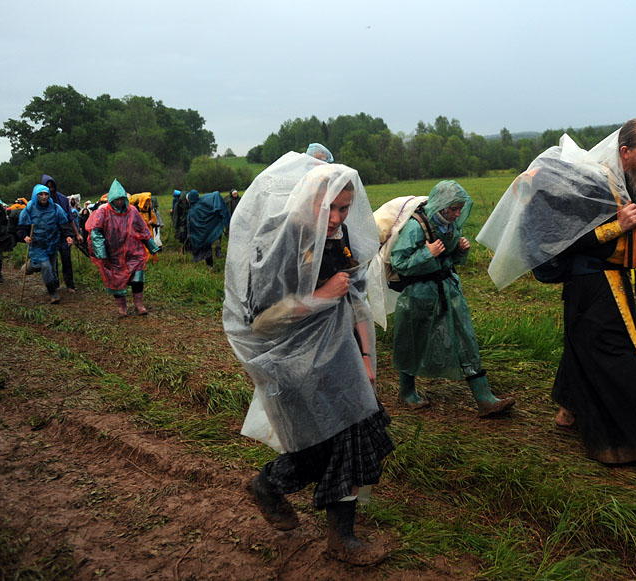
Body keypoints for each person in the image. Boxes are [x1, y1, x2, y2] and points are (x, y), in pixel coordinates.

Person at [477, 118, 636, 469]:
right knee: (617, 362)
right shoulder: (592, 184)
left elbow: (625, 233)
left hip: (616, 284)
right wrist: (618, 226)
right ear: (625, 151)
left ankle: (569, 412)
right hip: (594, 289)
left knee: (583, 351)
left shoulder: (629, 181)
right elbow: (566, 241)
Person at [223, 154, 393, 566]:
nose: (336, 217)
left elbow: (355, 302)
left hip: (342, 361)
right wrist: (318, 299)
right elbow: (258, 321)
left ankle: (296, 504)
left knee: (350, 440)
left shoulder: (341, 238)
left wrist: (367, 359)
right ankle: (330, 530)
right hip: (296, 367)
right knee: (329, 445)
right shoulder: (280, 238)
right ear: (306, 200)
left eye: (344, 207)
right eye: (329, 207)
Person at [389, 181, 516, 416]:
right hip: (418, 294)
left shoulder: (450, 225)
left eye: (460, 208)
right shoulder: (416, 228)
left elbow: (448, 261)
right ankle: (407, 393)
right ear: (443, 206)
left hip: (448, 289)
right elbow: (400, 263)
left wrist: (459, 251)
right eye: (455, 208)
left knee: (465, 337)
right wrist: (427, 253)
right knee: (413, 342)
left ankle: (484, 398)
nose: (458, 213)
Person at [86, 179, 159, 316]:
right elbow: (95, 233)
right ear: (112, 200)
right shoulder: (103, 213)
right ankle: (122, 307)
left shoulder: (132, 211)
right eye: (117, 199)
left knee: (138, 277)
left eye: (122, 199)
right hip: (113, 253)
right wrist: (101, 252)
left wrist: (152, 246)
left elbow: (142, 229)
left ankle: (139, 304)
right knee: (116, 281)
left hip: (133, 251)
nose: (120, 202)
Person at [17, 184, 75, 304]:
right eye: (41, 194)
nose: (44, 197)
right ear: (35, 195)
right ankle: (53, 294)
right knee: (46, 267)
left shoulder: (55, 208)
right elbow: (21, 227)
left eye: (46, 194)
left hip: (52, 243)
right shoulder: (29, 208)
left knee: (52, 269)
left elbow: (63, 224)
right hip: (37, 244)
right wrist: (25, 237)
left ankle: (32, 265)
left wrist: (69, 236)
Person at [42, 174, 82, 292]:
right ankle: (54, 284)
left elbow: (70, 219)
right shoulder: (40, 201)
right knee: (51, 262)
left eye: (52, 186)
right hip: (49, 236)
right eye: (47, 187)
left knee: (66, 259)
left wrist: (76, 234)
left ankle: (70, 284)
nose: (50, 189)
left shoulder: (63, 199)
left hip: (64, 234)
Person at [187, 191, 230, 268]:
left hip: (200, 235)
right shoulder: (202, 204)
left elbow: (191, 224)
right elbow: (215, 195)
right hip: (208, 231)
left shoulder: (193, 210)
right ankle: (211, 265)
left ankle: (210, 265)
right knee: (209, 246)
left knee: (206, 248)